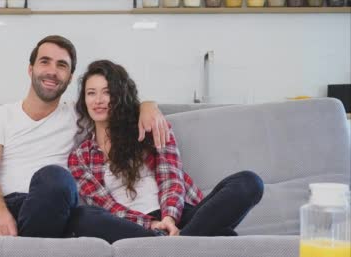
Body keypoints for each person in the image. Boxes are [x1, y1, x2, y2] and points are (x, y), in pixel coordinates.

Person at [0, 35, 170, 239]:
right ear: (30, 69)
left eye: (61, 65)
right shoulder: (0, 114)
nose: (52, 71)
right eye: (45, 62)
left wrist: (148, 105)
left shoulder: (79, 113)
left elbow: (116, 105)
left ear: (69, 77)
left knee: (55, 177)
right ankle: (14, 247)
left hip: (50, 204)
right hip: (2, 206)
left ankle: (7, 248)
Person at [68, 60, 264, 242]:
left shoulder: (149, 126)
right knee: (81, 216)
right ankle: (193, 240)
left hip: (180, 215)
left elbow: (171, 178)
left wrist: (169, 218)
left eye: (107, 92)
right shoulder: (80, 157)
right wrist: (151, 224)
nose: (98, 100)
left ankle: (180, 244)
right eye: (91, 93)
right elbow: (103, 204)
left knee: (248, 182)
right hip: (132, 227)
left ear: (119, 96)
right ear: (84, 100)